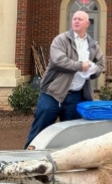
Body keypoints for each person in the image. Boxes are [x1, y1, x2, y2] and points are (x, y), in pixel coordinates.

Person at [25, 10, 105, 148]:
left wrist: (93, 69)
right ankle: (27, 160)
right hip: (52, 94)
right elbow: (58, 61)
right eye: (74, 19)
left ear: (87, 23)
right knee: (39, 132)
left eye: (80, 19)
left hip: (76, 97)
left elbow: (101, 65)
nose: (76, 21)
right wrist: (81, 66)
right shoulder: (61, 40)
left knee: (69, 136)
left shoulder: (93, 45)